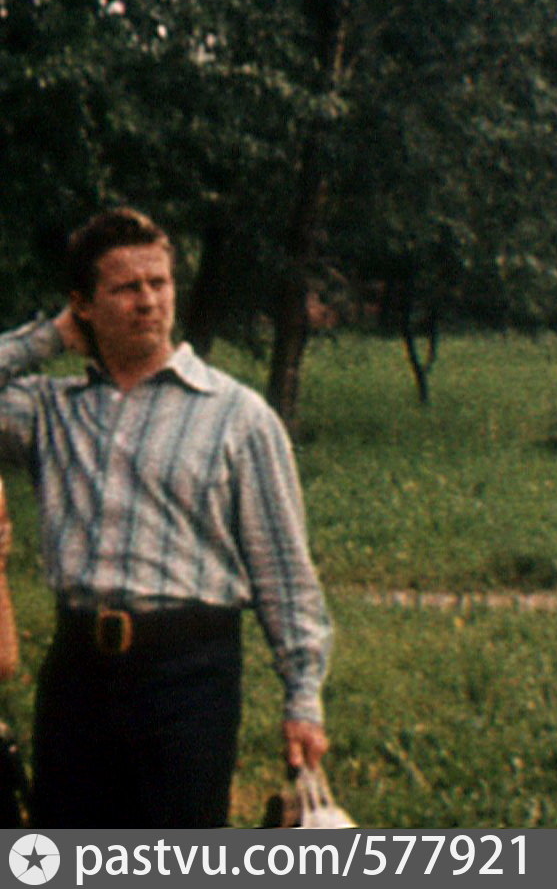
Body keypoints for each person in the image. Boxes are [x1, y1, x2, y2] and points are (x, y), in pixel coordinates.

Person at [0, 208, 334, 825]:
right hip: (77, 673)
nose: (148, 301)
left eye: (160, 283)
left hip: (188, 678)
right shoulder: (50, 411)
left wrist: (303, 697)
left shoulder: (237, 416)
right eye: (127, 288)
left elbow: (283, 571)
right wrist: (46, 339)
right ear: (84, 306)